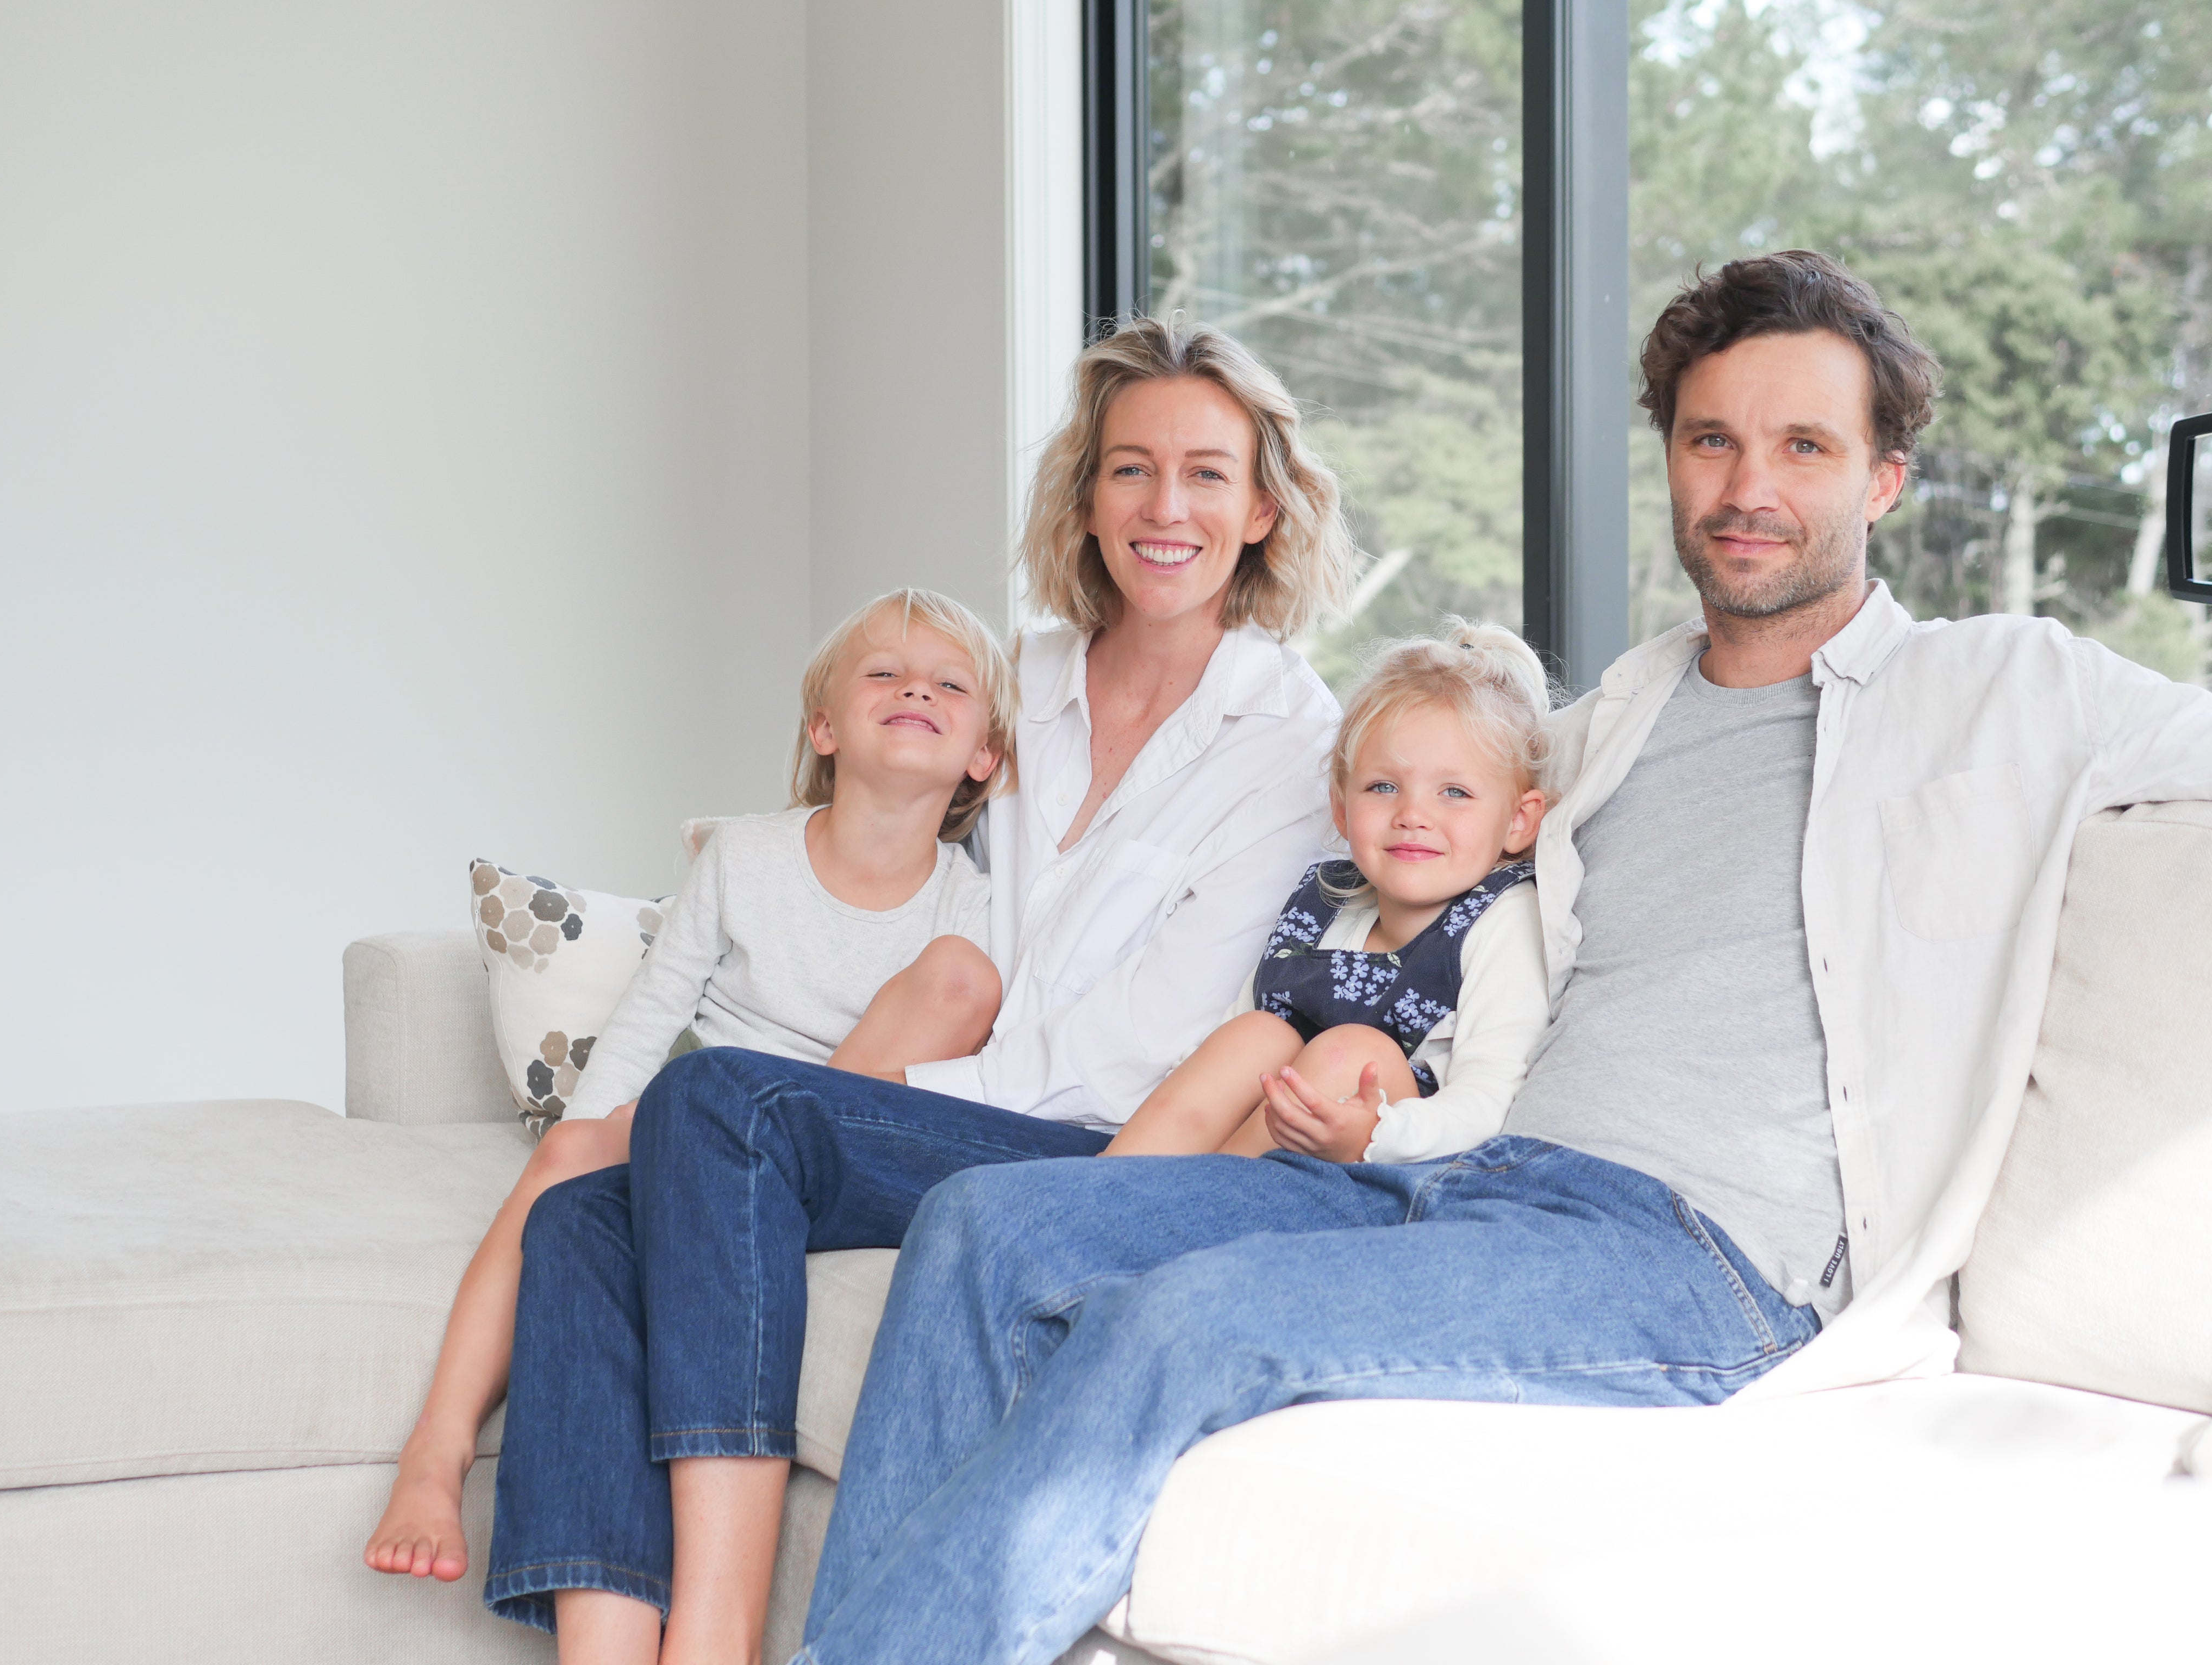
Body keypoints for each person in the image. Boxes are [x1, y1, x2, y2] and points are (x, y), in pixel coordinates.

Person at [793, 250, 2212, 1665]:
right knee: (990, 1220)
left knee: (1196, 1319)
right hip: (1463, 1180)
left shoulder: (2008, 689)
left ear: (1884, 480)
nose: (1749, 487)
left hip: (1703, 1260)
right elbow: (1430, 878)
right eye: (1712, 440)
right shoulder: (1606, 725)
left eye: (1805, 447)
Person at [480, 315, 1356, 1664]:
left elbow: (1148, 1034)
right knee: (594, 1214)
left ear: (1259, 509)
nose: (1163, 506)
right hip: (937, 1098)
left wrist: (878, 1089)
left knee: (720, 1106)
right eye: (1130, 469)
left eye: (1203, 473)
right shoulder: (1026, 681)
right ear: (1086, 496)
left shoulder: (1295, 740)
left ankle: (713, 1632)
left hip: (1086, 1139)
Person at [363, 587, 1013, 1581]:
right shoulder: (745, 856)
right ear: (825, 725)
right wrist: (584, 1131)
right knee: (576, 1159)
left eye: (949, 683)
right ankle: (437, 1448)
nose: (914, 688)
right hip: (705, 1120)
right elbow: (652, 1013)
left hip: (834, 1147)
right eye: (884, 672)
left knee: (957, 983)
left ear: (986, 757)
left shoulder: (974, 904)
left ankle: (753, 1188)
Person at [1103, 621, 1551, 1161]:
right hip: (1265, 1144)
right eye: (1383, 787)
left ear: (1519, 822)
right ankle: (1110, 1186)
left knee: (1350, 1054)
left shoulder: (1503, 918)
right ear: (1341, 807)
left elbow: (1491, 1101)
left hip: (1402, 1165)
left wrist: (1378, 1132)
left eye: (1454, 792)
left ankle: (1186, 1212)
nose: (1413, 815)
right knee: (1255, 1035)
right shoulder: (1323, 902)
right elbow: (1225, 1044)